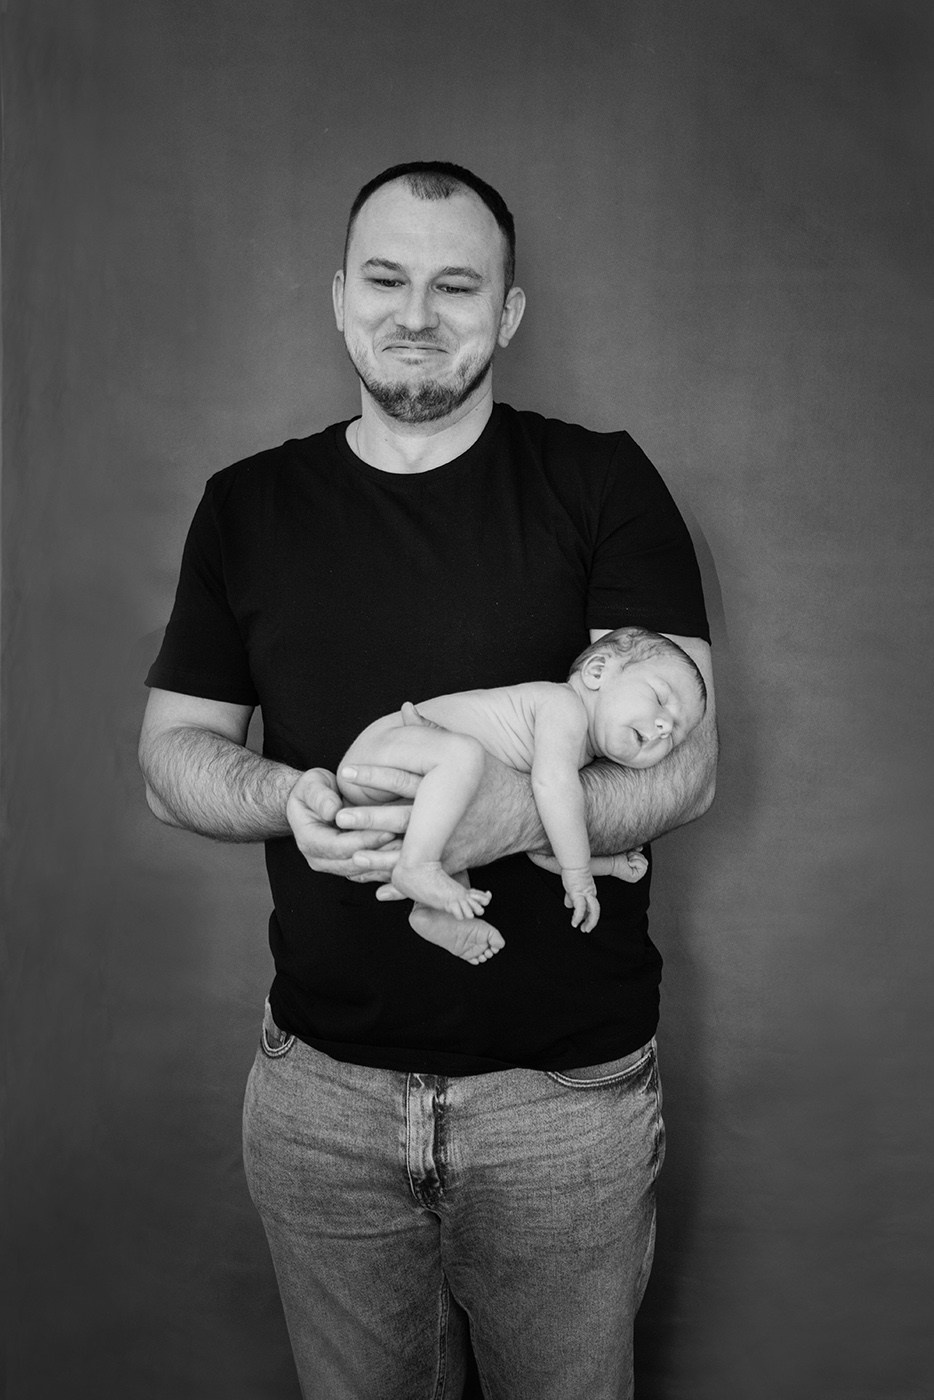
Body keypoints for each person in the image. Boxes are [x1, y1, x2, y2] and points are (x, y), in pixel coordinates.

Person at [138, 160, 717, 1400]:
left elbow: (694, 761)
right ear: (340, 298)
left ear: (507, 313)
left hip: (563, 1100)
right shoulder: (246, 508)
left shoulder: (602, 482)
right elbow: (170, 757)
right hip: (319, 1101)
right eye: (388, 279)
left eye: (458, 284)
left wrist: (506, 823)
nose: (418, 312)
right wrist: (285, 796)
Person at [339, 626, 708, 963]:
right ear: (598, 672)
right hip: (385, 750)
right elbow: (553, 790)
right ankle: (417, 866)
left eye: (674, 734)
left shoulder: (570, 759)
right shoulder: (563, 706)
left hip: (410, 780)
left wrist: (606, 866)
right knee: (465, 754)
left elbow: (542, 843)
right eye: (660, 698)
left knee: (457, 813)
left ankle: (432, 911)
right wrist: (580, 877)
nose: (663, 726)